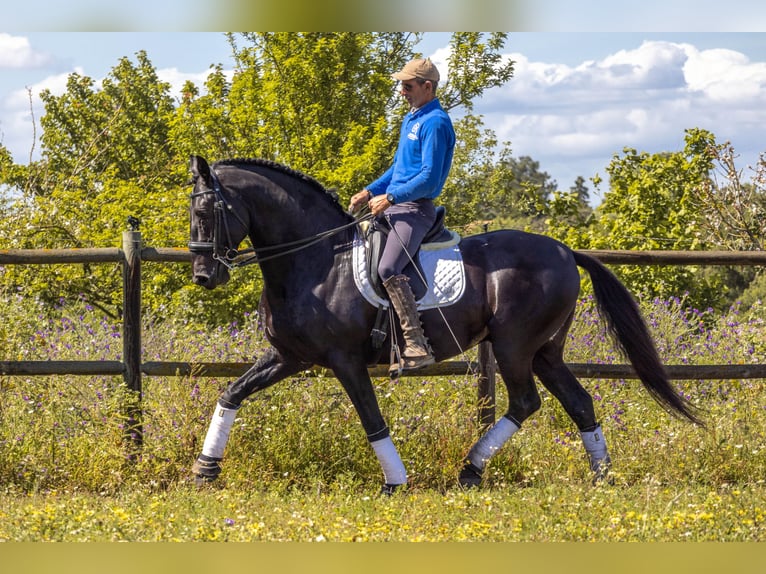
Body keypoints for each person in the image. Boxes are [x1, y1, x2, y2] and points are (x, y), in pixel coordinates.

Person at [348, 57, 456, 376]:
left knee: (388, 266)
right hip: (394, 205)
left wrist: (392, 197)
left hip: (415, 210)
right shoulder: (412, 119)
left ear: (427, 87)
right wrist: (369, 191)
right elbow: (398, 170)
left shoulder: (436, 122)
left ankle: (416, 344)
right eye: (401, 85)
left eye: (407, 86)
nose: (401, 92)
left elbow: (428, 177)